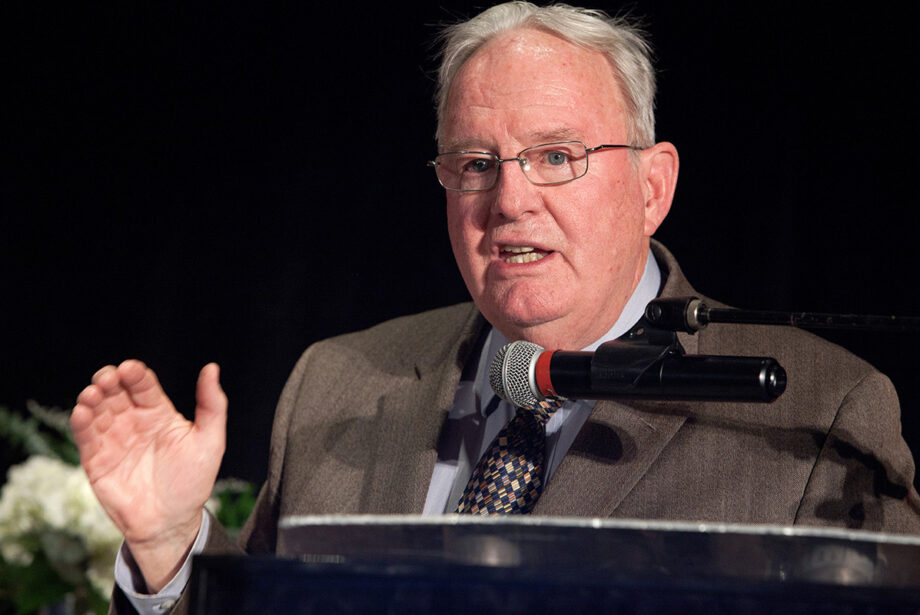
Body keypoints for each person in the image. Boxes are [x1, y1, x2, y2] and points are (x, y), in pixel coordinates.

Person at [70, 2, 920, 613]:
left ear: (652, 185)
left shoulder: (818, 411)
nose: (509, 199)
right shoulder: (335, 386)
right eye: (475, 162)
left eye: (557, 156)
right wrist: (170, 545)